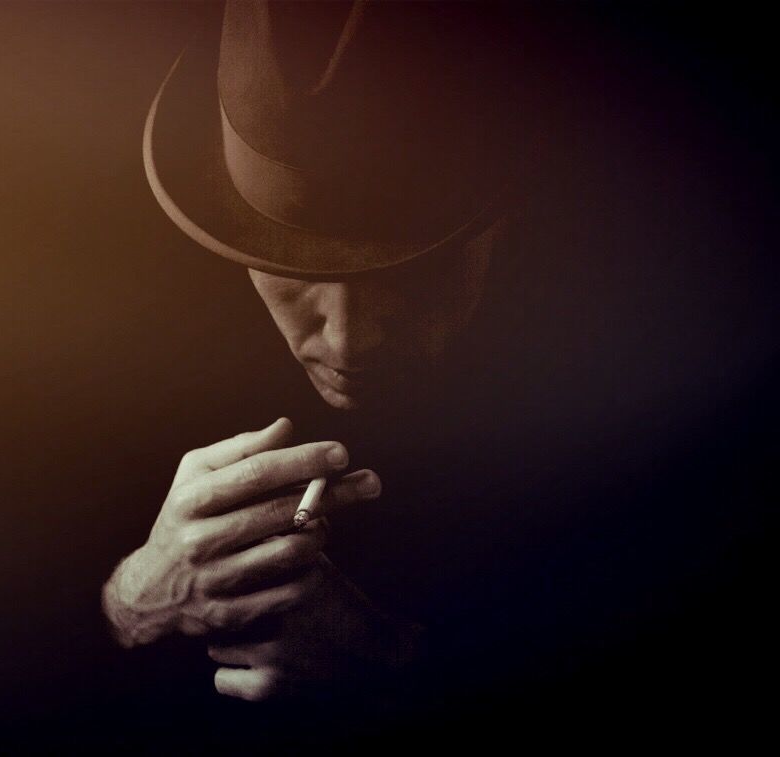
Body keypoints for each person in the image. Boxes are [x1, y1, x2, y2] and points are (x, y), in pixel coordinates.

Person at [99, 0, 775, 728]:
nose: (349, 341)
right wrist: (133, 601)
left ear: (505, 217)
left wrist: (398, 669)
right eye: (283, 266)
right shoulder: (113, 340)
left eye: (412, 273)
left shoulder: (685, 379)